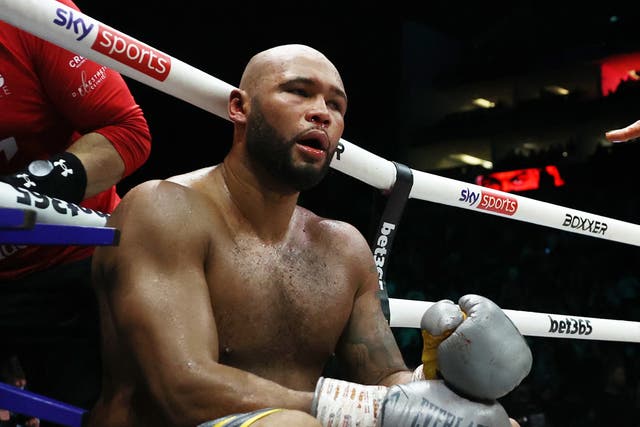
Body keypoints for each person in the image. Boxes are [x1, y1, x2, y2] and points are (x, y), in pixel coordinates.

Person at [87, 44, 531, 427]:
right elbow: (181, 388)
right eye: (297, 92)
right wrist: (372, 410)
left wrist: (433, 383)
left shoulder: (343, 247)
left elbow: (381, 381)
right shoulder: (163, 208)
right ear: (240, 107)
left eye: (336, 106)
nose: (322, 112)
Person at [0, 0, 152, 415]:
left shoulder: (29, 12)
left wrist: (26, 190)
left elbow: (127, 132)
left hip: (67, 261)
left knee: (105, 410)